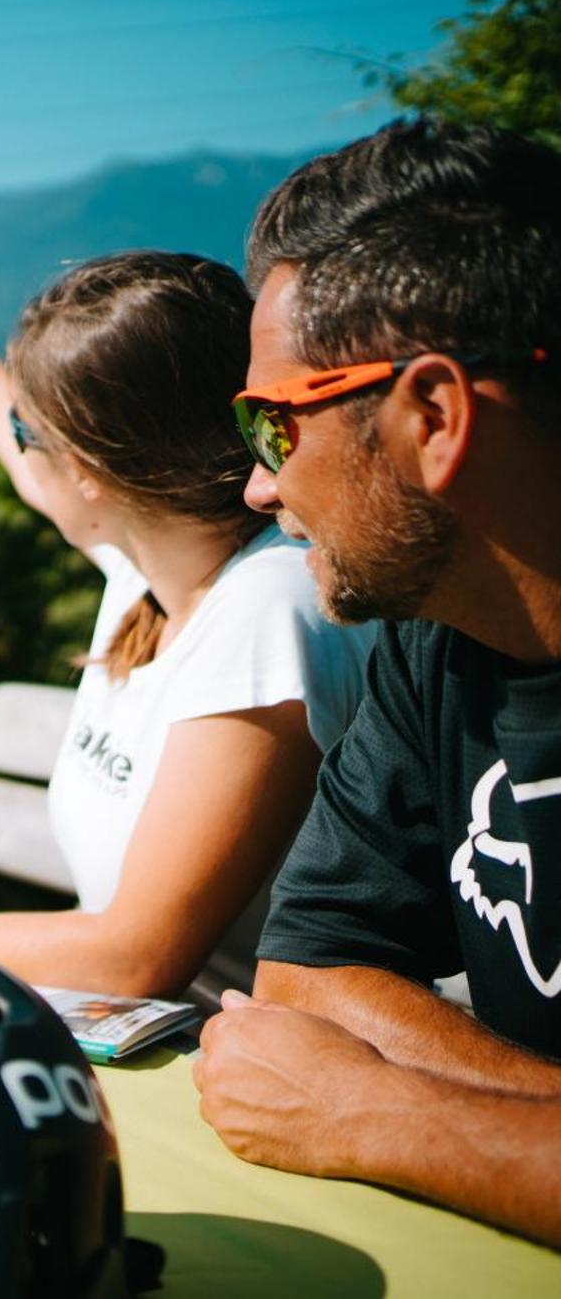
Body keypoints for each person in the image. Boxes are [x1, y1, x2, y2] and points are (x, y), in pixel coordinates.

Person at [0, 251, 376, 1002]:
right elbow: (27, 461)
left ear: (92, 468)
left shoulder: (265, 611)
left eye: (33, 429)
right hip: (144, 1034)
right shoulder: (154, 555)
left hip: (235, 1066)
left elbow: (132, 958)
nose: (20, 450)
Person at [191, 118, 561, 1248]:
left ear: (434, 418)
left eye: (271, 424)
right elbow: (306, 972)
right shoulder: (434, 636)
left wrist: (381, 1109)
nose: (256, 490)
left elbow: (327, 1069)